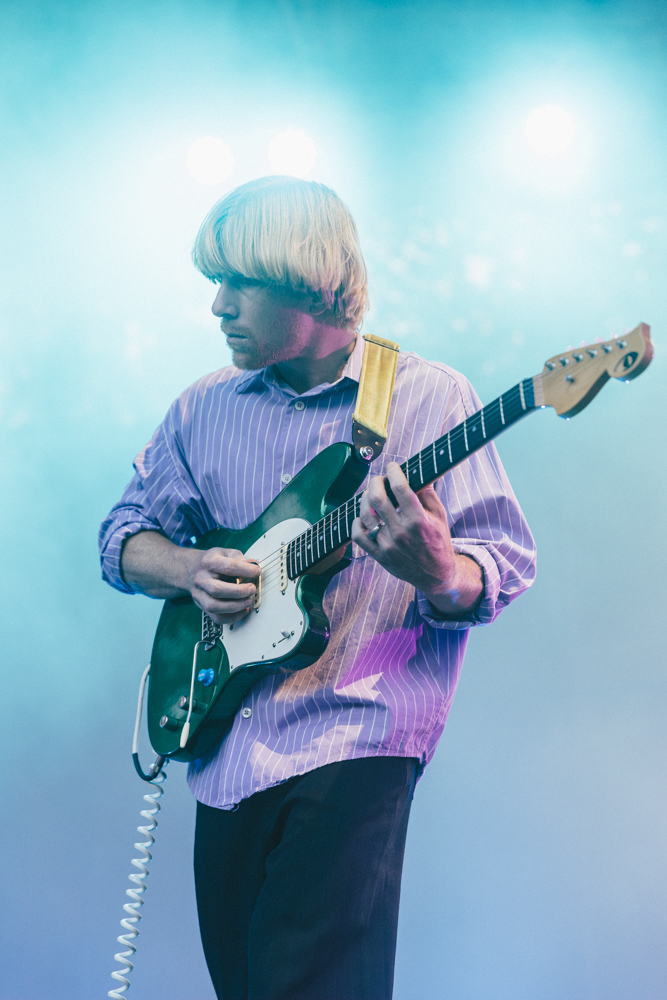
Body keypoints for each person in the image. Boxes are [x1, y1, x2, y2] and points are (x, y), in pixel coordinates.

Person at [99, 175, 536, 1000]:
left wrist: (438, 571)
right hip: (224, 747)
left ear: (316, 282)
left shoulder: (428, 397)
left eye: (238, 283)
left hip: (355, 737)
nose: (218, 306)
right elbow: (120, 538)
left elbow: (502, 565)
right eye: (212, 285)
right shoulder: (201, 408)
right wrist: (190, 568)